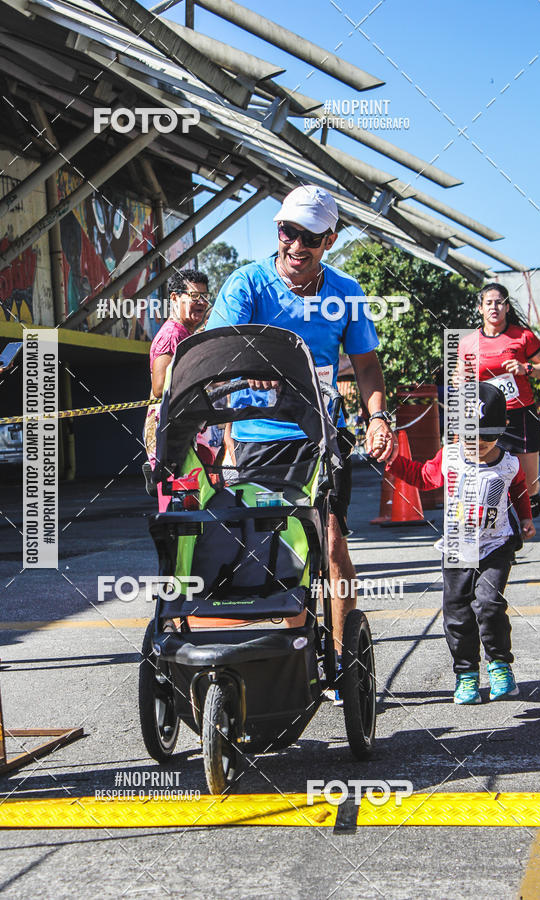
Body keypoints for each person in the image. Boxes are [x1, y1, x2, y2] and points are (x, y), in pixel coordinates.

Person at [205, 185, 397, 679]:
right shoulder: (246, 285)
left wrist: (378, 418)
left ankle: (342, 664)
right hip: (256, 439)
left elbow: (368, 368)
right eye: (289, 231)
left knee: (331, 546)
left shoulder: (346, 292)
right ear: (278, 229)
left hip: (321, 438)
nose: (296, 245)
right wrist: (251, 363)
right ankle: (296, 660)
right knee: (279, 553)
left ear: (329, 240)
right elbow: (216, 352)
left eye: (309, 236)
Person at [387, 383, 535, 704]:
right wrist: (393, 461)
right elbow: (422, 477)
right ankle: (466, 673)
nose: (477, 444)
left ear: (502, 429)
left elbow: (519, 490)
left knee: (489, 604)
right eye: (470, 436)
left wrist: (526, 518)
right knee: (456, 611)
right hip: (457, 547)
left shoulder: (509, 464)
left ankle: (499, 665)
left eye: (486, 436)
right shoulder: (450, 457)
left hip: (496, 545)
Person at [459, 283, 540, 518]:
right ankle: (502, 531)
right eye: (488, 303)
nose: (494, 307)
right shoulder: (468, 342)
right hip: (486, 418)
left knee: (529, 483)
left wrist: (526, 368)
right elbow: (457, 379)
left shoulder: (523, 337)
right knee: (491, 477)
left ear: (507, 307)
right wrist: (461, 379)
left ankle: (529, 504)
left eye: (499, 302)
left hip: (520, 415)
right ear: (480, 308)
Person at [144, 269, 212, 464]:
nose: (202, 302)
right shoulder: (172, 335)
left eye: (205, 297)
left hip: (181, 431)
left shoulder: (186, 334)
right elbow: (159, 388)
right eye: (194, 296)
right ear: (174, 298)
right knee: (181, 493)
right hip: (169, 436)